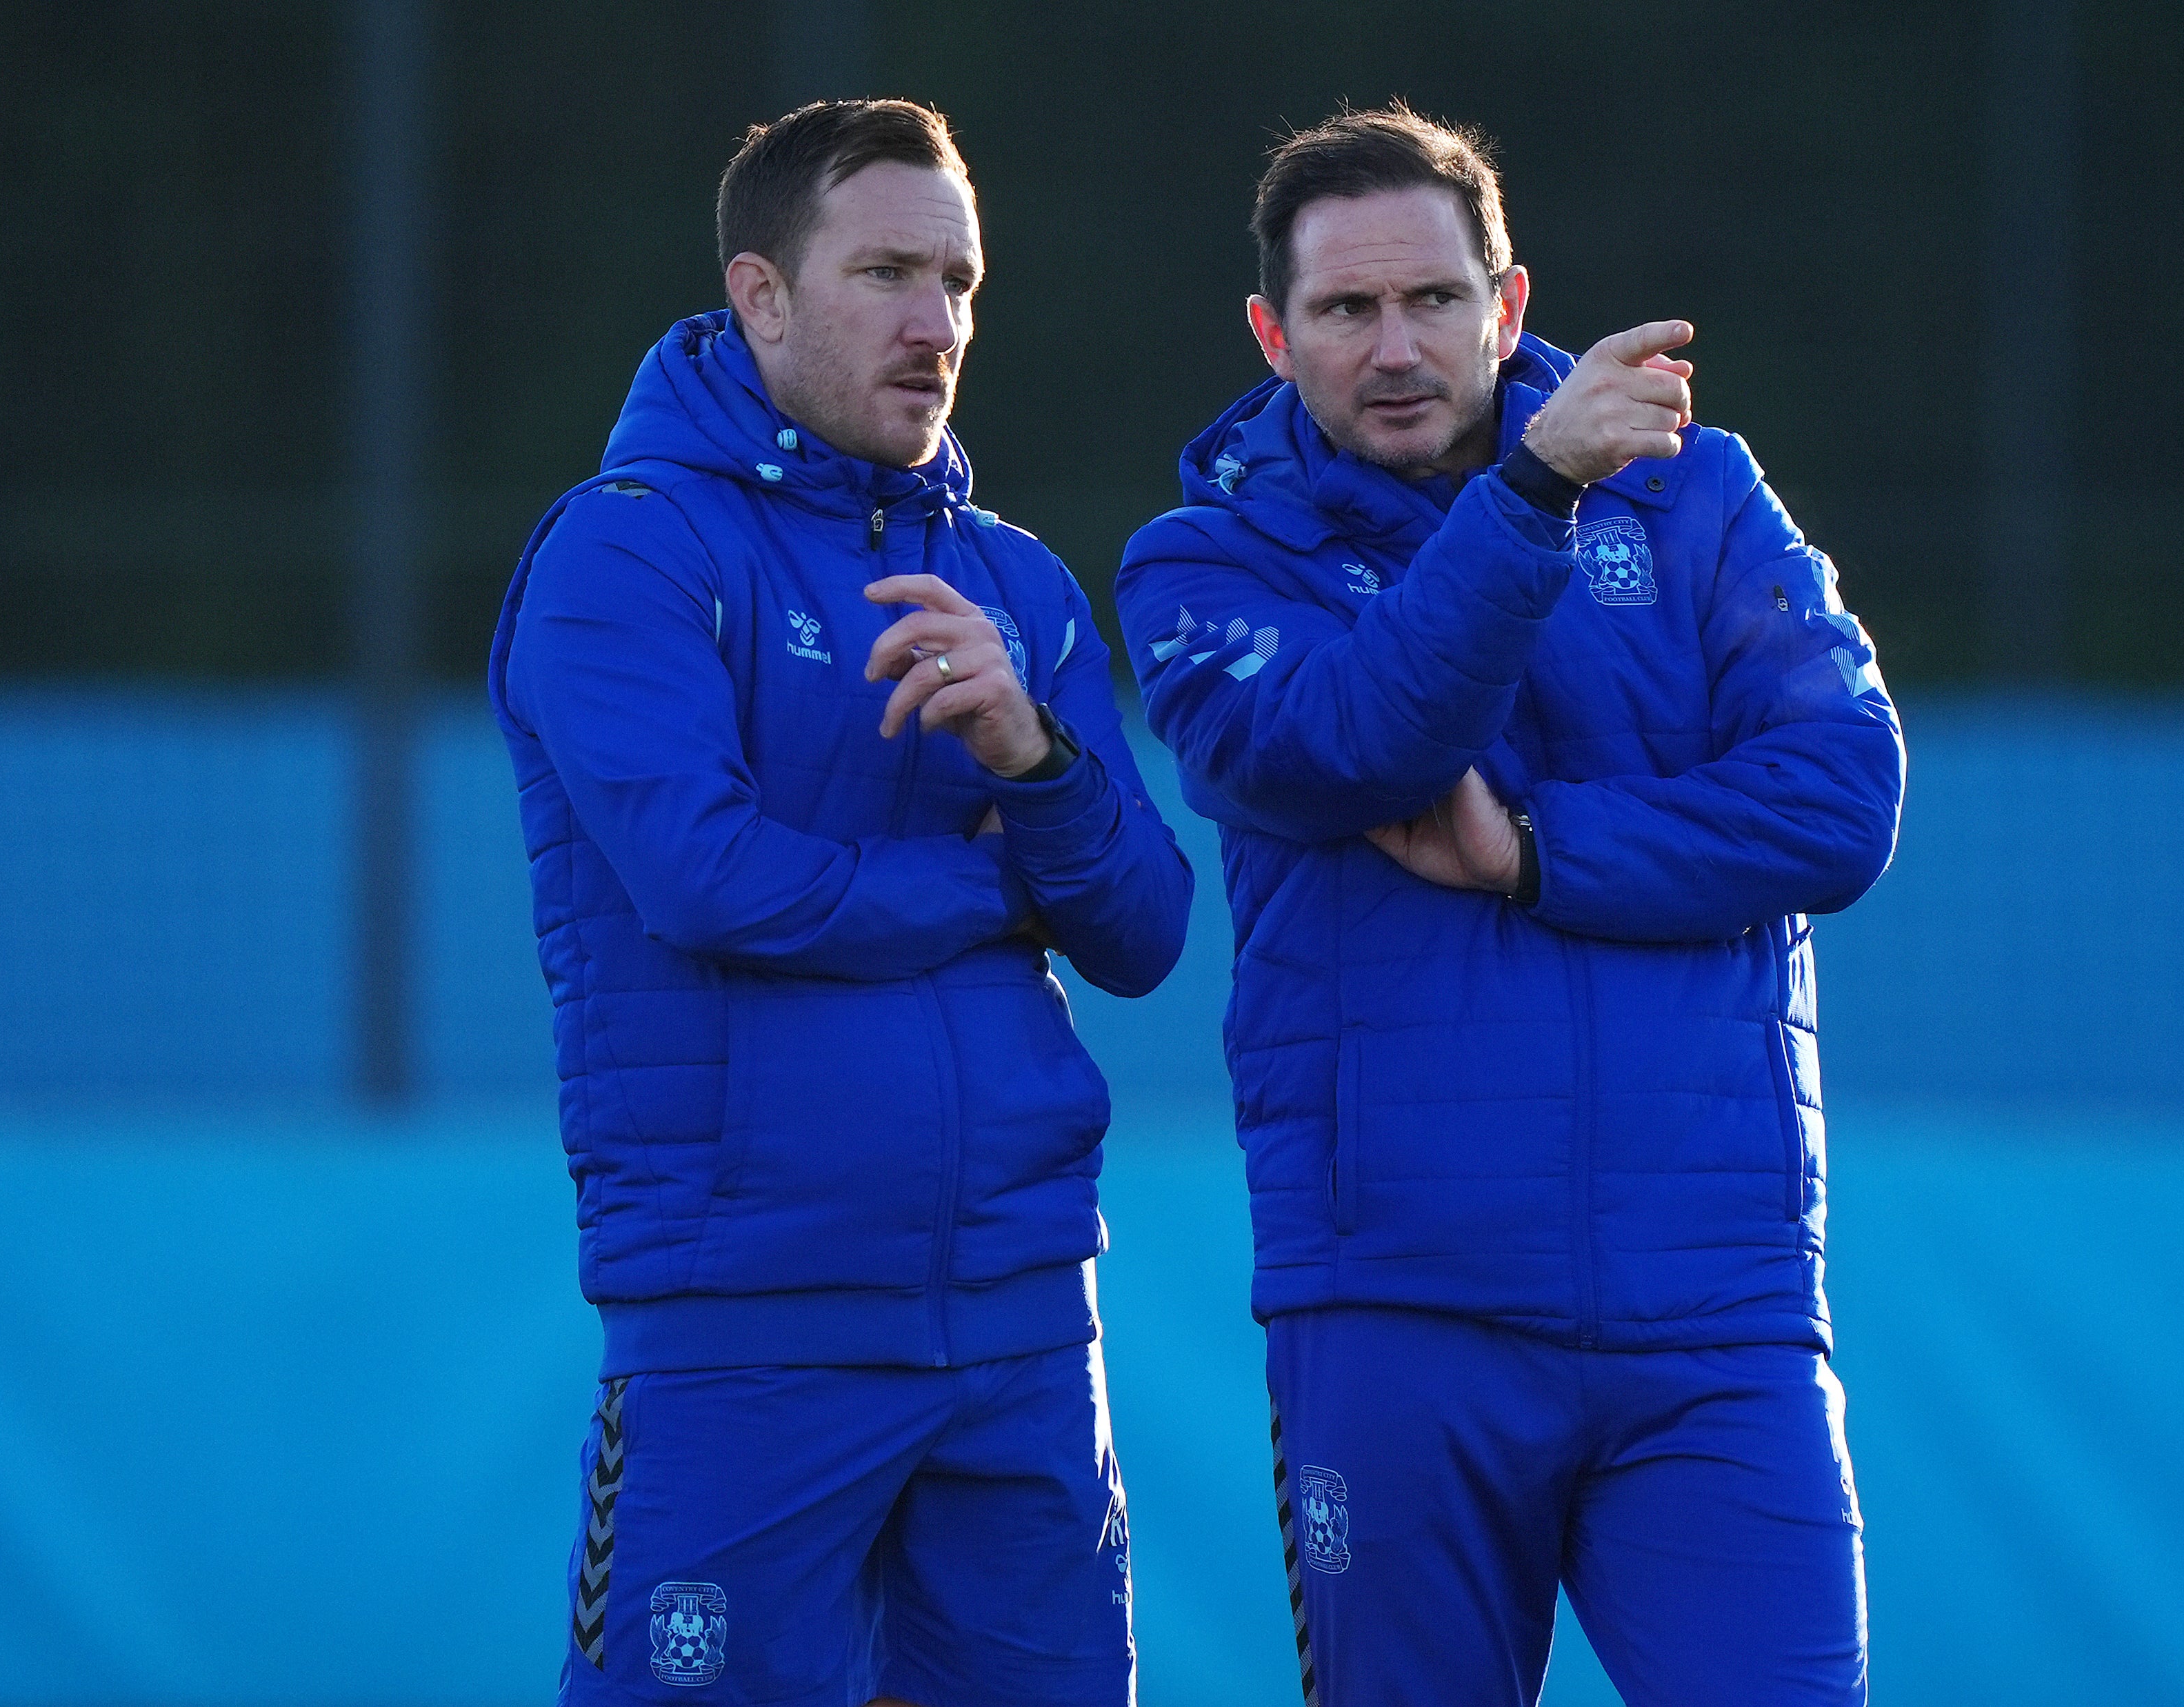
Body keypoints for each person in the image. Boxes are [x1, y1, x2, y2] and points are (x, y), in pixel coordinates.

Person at [1114, 104, 1905, 1705]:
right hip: (1399, 1313)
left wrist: (1535, 852)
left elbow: (1842, 801)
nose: (1393, 345)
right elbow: (1349, 741)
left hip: (1713, 1320)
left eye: (1431, 299)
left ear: (1509, 304)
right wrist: (1530, 495)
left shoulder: (1696, 494)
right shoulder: (1200, 566)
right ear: (1274, 335)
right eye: (1344, 309)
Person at [489, 99, 1190, 1707]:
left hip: (1020, 1327)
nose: (934, 324)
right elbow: (703, 877)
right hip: (747, 1327)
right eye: (884, 272)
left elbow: (1146, 926)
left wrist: (1033, 752)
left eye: (959, 281)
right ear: (759, 295)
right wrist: (986, 882)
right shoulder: (629, 551)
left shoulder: (1011, 581)